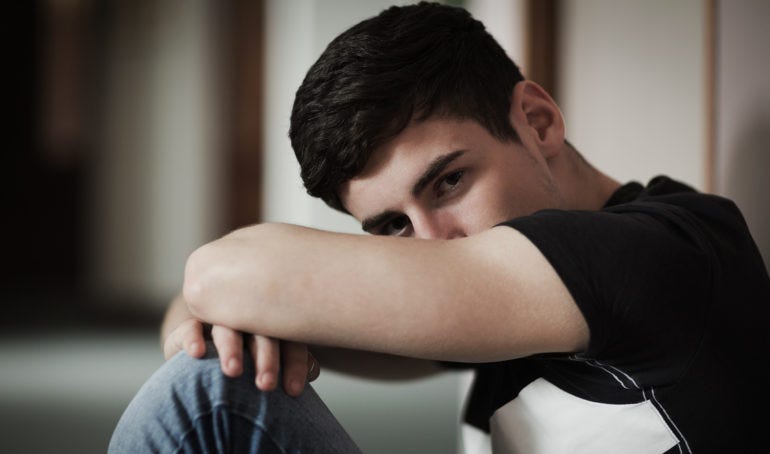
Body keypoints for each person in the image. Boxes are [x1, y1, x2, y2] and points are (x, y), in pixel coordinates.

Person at [109, 2, 770, 453]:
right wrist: (209, 330)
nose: (431, 243)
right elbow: (201, 297)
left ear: (537, 123)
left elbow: (213, 273)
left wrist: (216, 304)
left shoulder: (652, 255)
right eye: (393, 224)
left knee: (200, 399)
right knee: (211, 376)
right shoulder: (498, 286)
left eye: (449, 181)